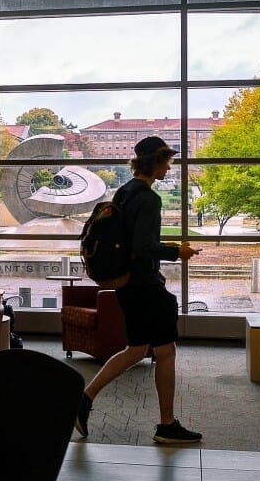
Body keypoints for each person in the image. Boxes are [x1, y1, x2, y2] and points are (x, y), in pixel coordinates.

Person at [74, 136, 202, 445]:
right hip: (145, 285)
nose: (169, 166)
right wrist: (177, 251)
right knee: (166, 350)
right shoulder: (148, 198)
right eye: (167, 161)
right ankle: (167, 425)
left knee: (136, 348)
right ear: (155, 162)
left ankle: (85, 398)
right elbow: (143, 246)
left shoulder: (124, 191)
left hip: (125, 284)